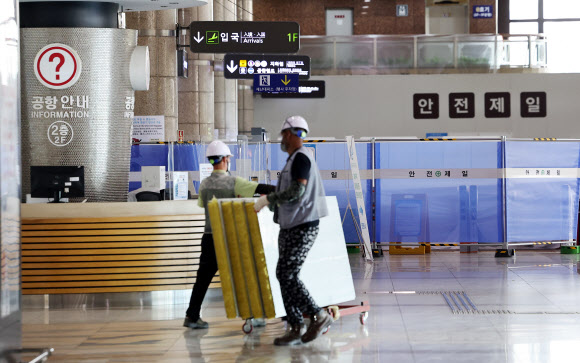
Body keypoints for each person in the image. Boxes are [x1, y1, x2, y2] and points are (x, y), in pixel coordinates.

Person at [254, 115, 332, 346]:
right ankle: (296, 326)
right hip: (291, 224)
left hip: (304, 225)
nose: (282, 139)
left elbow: (297, 191)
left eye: (283, 134)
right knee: (283, 274)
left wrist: (269, 200)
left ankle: (318, 314)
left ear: (289, 134)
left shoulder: (301, 158)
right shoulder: (293, 160)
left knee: (288, 273)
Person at [184, 140, 275, 329]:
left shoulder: (204, 184)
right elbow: (262, 189)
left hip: (209, 236)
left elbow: (204, 205)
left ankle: (192, 315)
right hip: (229, 237)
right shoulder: (233, 182)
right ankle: (253, 316)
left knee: (203, 278)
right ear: (226, 159)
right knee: (244, 274)